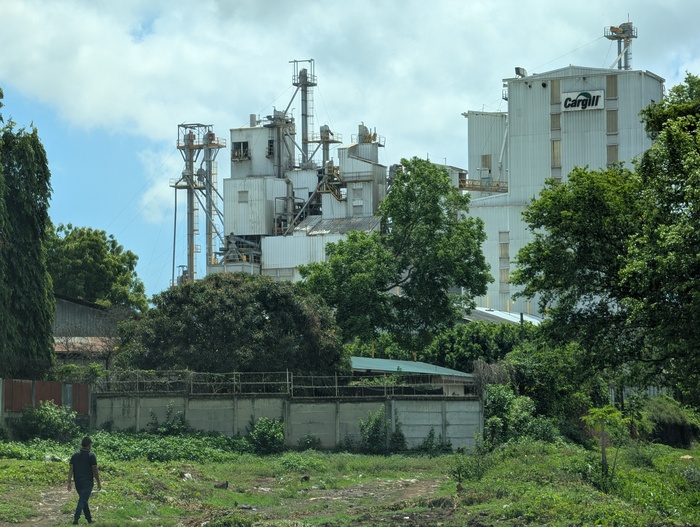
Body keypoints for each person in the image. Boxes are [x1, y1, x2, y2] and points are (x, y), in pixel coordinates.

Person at [67, 436, 102, 524]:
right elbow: (95, 470)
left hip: (78, 482)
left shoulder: (75, 455)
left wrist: (69, 482)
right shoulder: (91, 455)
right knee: (82, 500)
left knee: (83, 500)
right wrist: (98, 482)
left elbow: (71, 469)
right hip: (88, 482)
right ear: (89, 445)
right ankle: (76, 518)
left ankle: (89, 519)